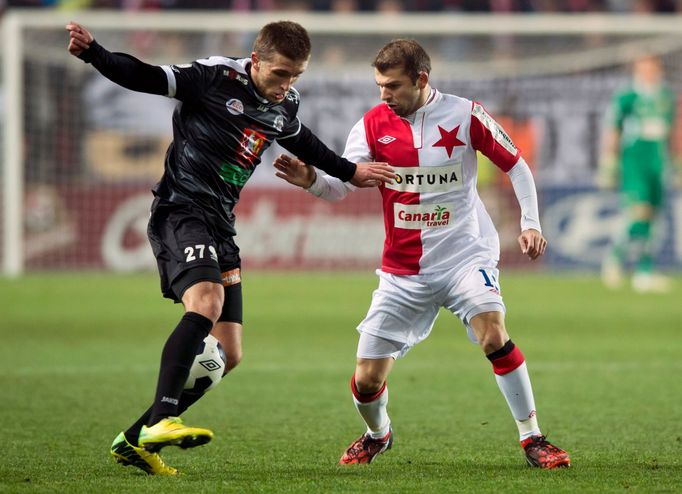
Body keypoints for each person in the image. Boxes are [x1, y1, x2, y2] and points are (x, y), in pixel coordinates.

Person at [66, 20, 394, 476]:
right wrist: (94, 53)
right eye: (280, 74)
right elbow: (145, 76)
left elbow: (302, 140)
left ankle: (135, 438)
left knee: (230, 351)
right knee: (207, 302)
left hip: (220, 223)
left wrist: (349, 171)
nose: (287, 86)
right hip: (181, 210)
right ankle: (162, 419)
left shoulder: (285, 103)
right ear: (255, 61)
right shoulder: (215, 77)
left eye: (296, 76)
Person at [274, 39, 570, 469]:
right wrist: (310, 180)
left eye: (393, 85)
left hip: (466, 255)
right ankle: (378, 434)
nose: (384, 95)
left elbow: (516, 165)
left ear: (422, 80)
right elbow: (342, 185)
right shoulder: (372, 124)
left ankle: (533, 438)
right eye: (379, 85)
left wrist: (530, 224)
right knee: (366, 379)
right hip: (404, 271)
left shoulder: (466, 115)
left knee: (492, 331)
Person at [599, 54, 676, 293]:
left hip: (658, 163)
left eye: (652, 66)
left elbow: (671, 133)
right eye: (644, 67)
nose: (649, 71)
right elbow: (613, 129)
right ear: (637, 69)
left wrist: (675, 163)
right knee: (639, 214)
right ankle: (615, 259)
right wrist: (609, 162)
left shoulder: (666, 97)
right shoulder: (627, 97)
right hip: (635, 162)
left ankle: (644, 272)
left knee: (653, 219)